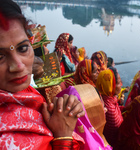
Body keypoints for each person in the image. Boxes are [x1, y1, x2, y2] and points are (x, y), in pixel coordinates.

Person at [0, 0, 86, 149]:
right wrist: (63, 136)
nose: (19, 66)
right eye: (0, 56)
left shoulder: (23, 93)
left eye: (23, 48)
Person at [96, 67, 123, 149]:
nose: (121, 84)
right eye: (118, 83)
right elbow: (117, 130)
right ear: (110, 86)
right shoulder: (109, 108)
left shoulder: (109, 99)